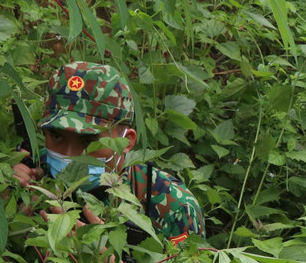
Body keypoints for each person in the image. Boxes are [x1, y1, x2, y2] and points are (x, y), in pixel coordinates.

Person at [13, 61, 205, 243]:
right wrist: (12, 211)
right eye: (56, 136)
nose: (70, 155)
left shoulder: (174, 207)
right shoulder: (34, 177)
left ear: (126, 141)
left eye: (88, 141)